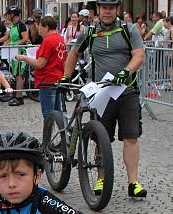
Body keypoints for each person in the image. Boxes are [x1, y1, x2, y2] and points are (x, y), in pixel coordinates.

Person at [63, 0, 148, 198]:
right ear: (98, 10)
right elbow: (74, 52)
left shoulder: (129, 29)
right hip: (102, 92)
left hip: (127, 90)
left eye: (111, 8)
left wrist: (126, 71)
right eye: (104, 8)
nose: (107, 11)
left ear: (117, 10)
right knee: (101, 138)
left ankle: (133, 182)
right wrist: (66, 76)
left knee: (131, 137)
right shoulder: (90, 31)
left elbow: (139, 55)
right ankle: (101, 178)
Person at [16, 16, 66, 117]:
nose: (39, 29)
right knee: (58, 113)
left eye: (40, 26)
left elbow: (40, 63)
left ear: (46, 27)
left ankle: (48, 133)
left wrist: (24, 58)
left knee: (48, 115)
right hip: (57, 77)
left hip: (47, 80)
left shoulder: (48, 40)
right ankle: (63, 133)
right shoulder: (60, 38)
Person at [4, 6, 29, 106]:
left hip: (20, 52)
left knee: (19, 75)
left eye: (9, 14)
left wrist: (15, 44)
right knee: (16, 74)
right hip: (14, 52)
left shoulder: (21, 25)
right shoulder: (13, 25)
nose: (7, 16)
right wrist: (5, 44)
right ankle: (17, 95)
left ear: (13, 14)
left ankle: (19, 97)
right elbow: (9, 38)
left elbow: (25, 38)